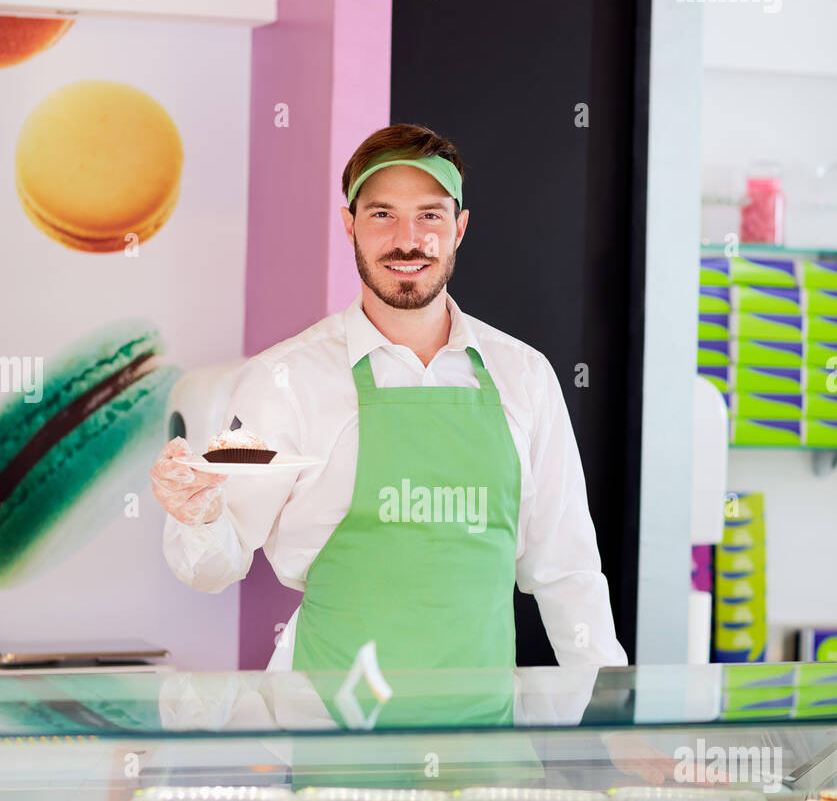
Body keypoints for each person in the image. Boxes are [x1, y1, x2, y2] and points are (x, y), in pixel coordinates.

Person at [150, 123, 627, 677]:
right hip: (328, 732)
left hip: (481, 734)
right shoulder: (282, 380)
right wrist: (199, 515)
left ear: (459, 228)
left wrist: (610, 713)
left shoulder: (526, 377)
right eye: (382, 215)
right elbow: (214, 564)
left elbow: (566, 568)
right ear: (349, 223)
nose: (408, 239)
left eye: (430, 215)